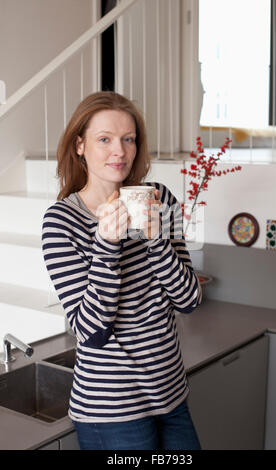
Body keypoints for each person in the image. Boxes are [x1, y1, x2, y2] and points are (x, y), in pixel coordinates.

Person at [41, 91, 202, 450]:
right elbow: (92, 332)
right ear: (80, 145)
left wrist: (155, 238)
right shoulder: (61, 221)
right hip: (112, 413)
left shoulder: (159, 198)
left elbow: (189, 300)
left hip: (171, 395)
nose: (120, 151)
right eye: (105, 139)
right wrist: (107, 247)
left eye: (128, 139)